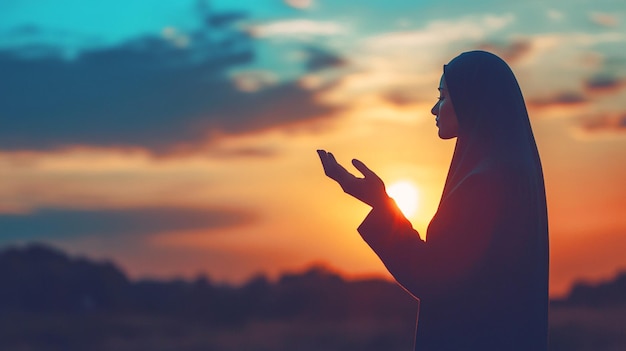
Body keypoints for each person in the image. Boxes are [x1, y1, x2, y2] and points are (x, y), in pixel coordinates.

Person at [317, 50, 549, 351]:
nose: (434, 109)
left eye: (443, 96)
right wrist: (381, 203)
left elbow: (434, 277)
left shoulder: (484, 183)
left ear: (471, 100)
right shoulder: (512, 171)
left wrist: (382, 206)